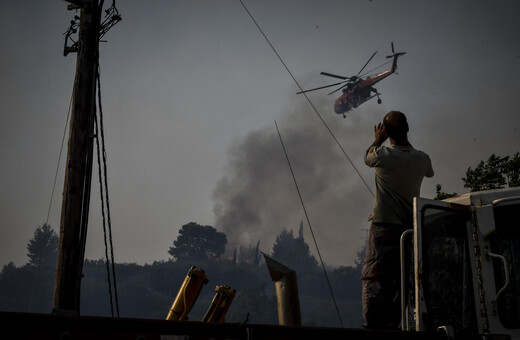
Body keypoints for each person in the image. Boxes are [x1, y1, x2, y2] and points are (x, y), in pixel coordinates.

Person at [361, 111, 434, 329]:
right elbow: (430, 173)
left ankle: (374, 326)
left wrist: (377, 139)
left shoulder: (382, 154)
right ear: (407, 128)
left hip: (383, 228)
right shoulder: (422, 159)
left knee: (375, 277)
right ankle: (393, 323)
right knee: (401, 280)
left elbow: (367, 158)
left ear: (385, 132)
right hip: (409, 229)